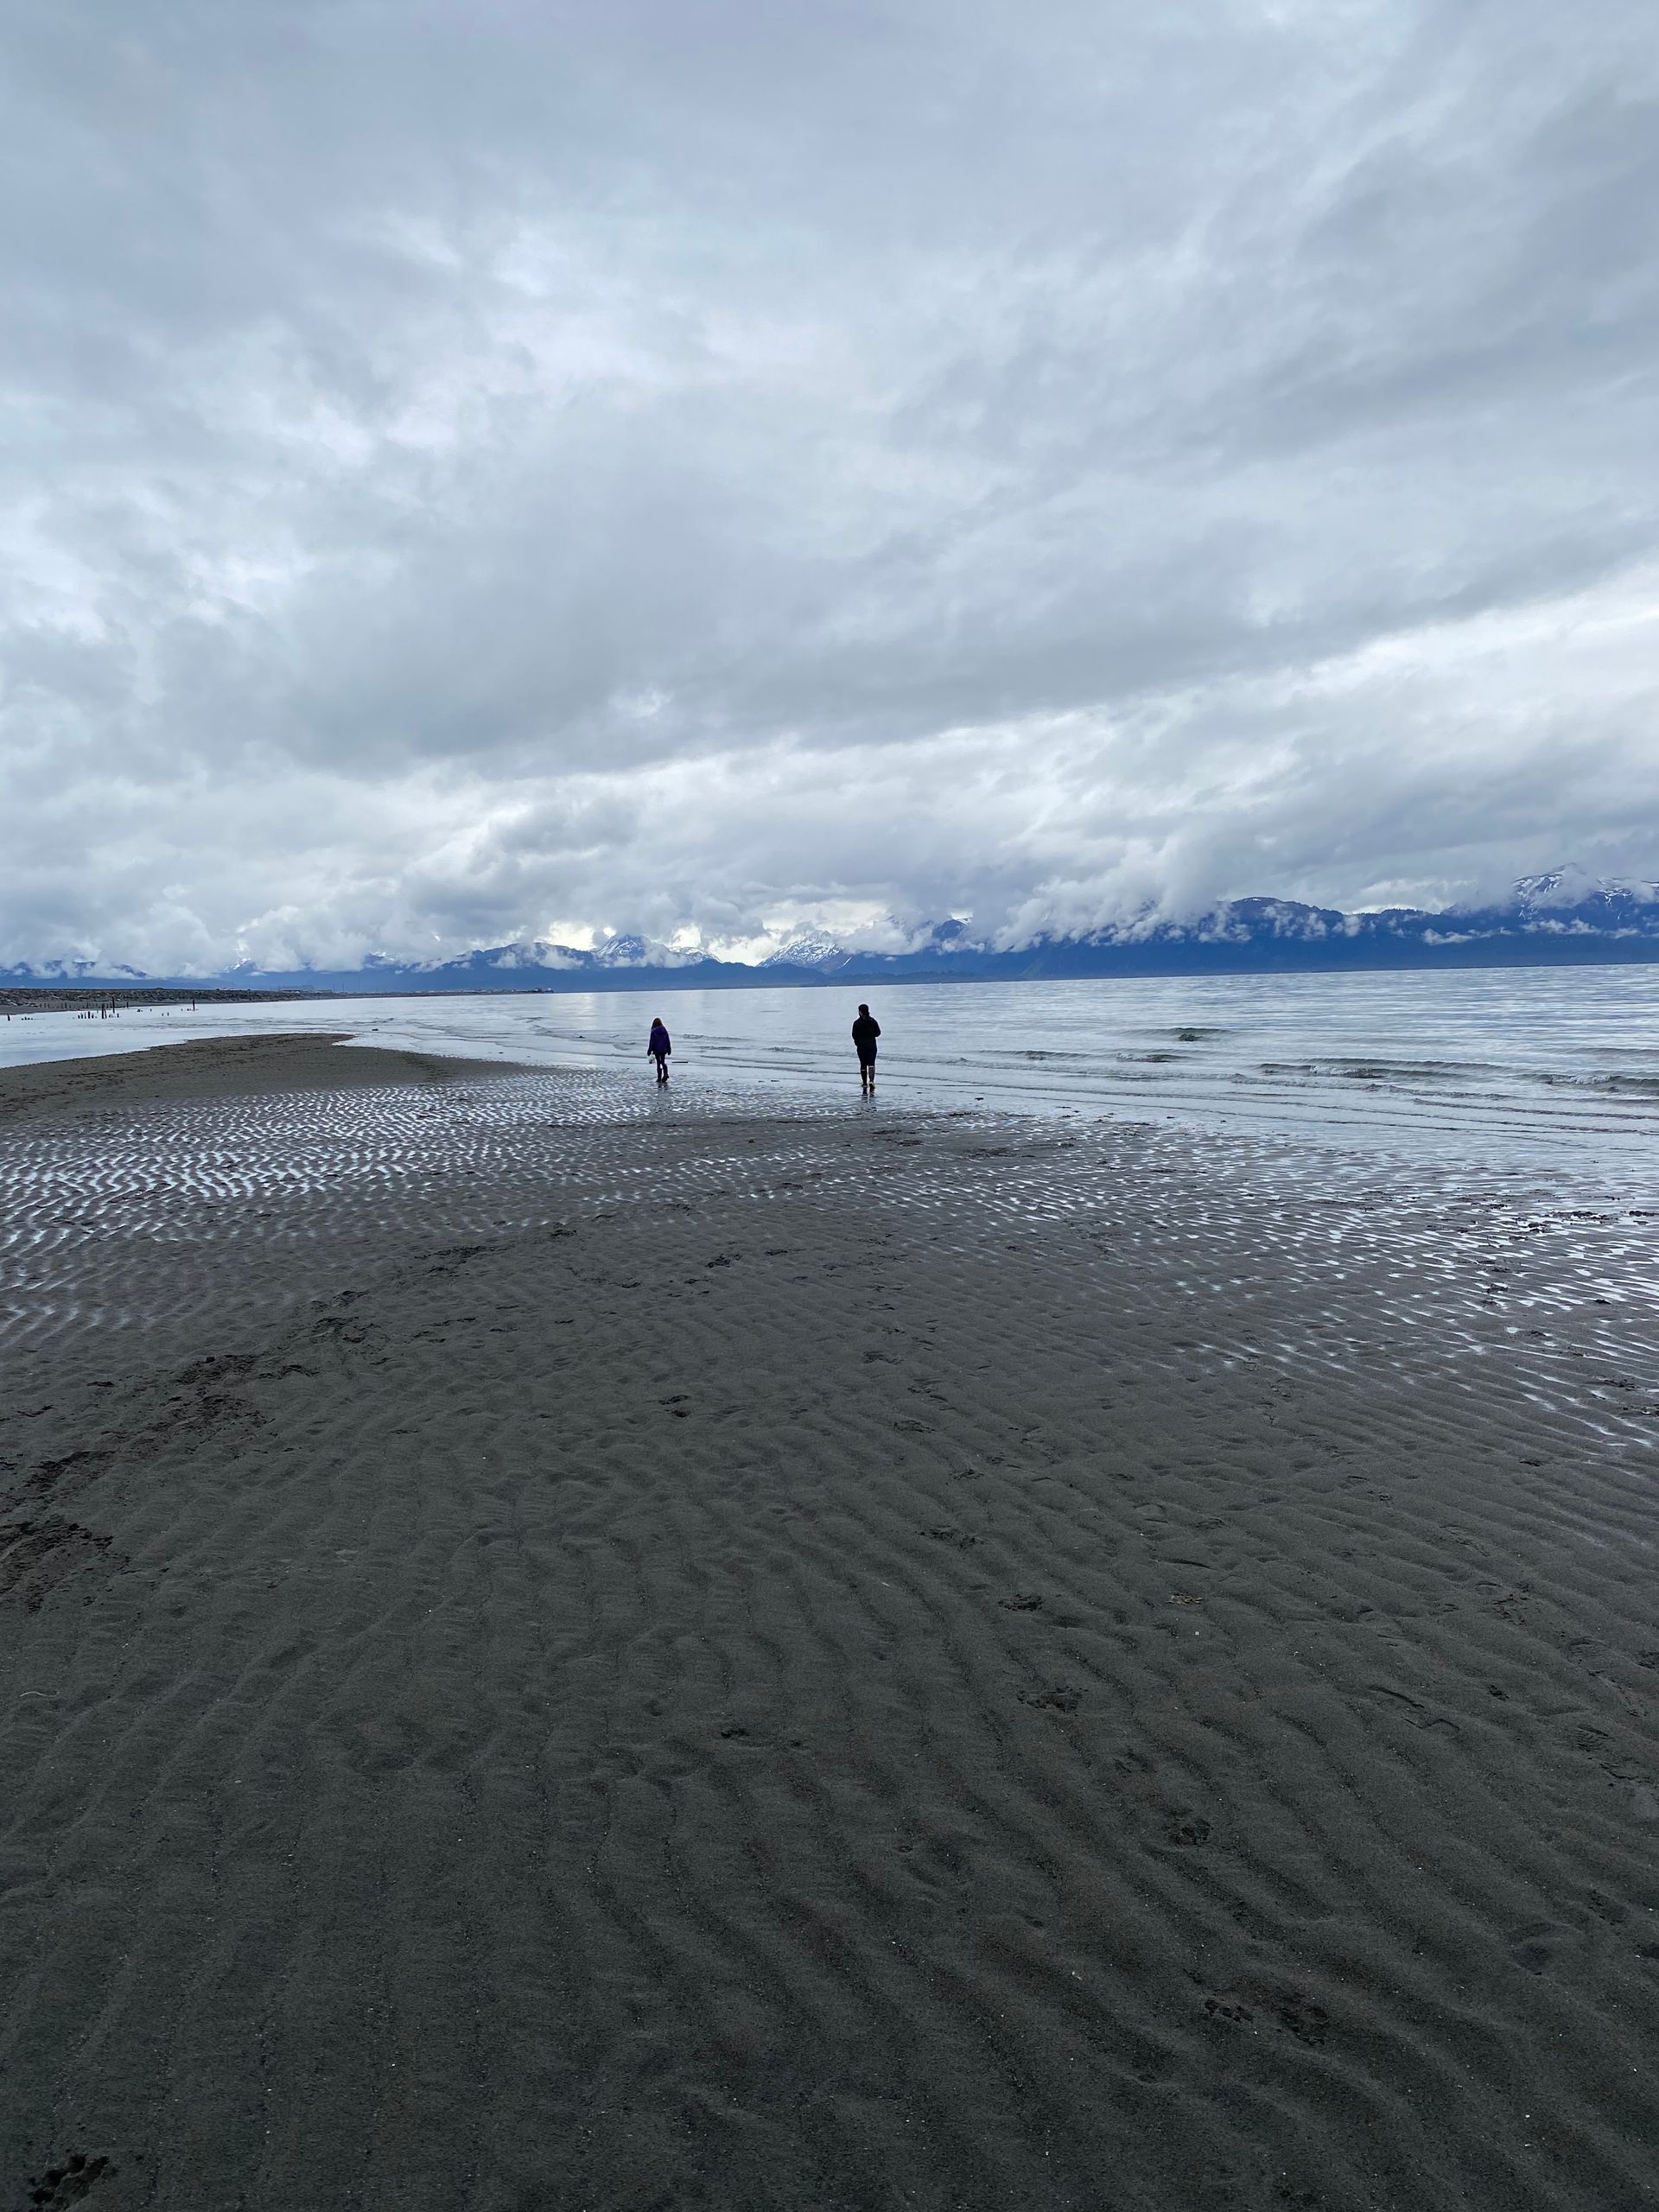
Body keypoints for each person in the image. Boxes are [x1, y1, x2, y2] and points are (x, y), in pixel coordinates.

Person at [851, 1002, 880, 1093]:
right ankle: (871, 1081)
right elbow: (878, 1033)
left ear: (860, 1012)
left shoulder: (856, 1023)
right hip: (871, 1045)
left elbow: (854, 1035)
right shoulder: (873, 1021)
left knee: (863, 1064)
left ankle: (864, 1083)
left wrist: (857, 1043)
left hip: (861, 1046)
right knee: (871, 1063)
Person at [647, 1015, 671, 1084]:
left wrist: (649, 1051)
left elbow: (652, 1042)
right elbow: (667, 1040)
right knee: (663, 1062)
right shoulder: (664, 1029)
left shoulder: (653, 1031)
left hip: (657, 1050)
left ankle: (659, 1078)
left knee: (658, 1063)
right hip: (664, 1049)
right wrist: (669, 1049)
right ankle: (666, 1073)